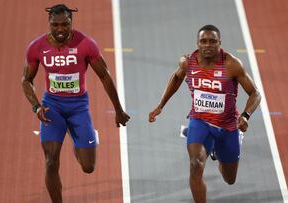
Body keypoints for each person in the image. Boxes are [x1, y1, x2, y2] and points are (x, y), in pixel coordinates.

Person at [21, 4, 130, 203]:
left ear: (72, 22)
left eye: (65, 24)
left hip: (78, 107)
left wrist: (118, 110)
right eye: (55, 25)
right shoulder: (37, 47)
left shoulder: (86, 44)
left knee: (88, 167)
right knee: (51, 162)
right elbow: (26, 80)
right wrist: (36, 106)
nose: (60, 29)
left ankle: (77, 135)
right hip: (51, 107)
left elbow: (105, 77)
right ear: (49, 23)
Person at [149, 25, 261, 202]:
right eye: (203, 41)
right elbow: (177, 77)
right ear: (197, 43)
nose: (208, 45)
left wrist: (245, 116)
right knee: (195, 164)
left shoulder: (231, 65)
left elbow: (255, 93)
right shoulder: (187, 62)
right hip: (200, 121)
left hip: (227, 126)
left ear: (219, 43)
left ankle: (219, 148)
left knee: (229, 179)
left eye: (212, 41)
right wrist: (161, 105)